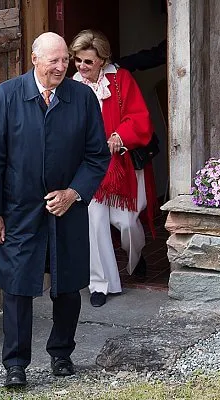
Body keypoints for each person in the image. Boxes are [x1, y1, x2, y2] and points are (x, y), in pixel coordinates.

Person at [0, 32, 111, 388]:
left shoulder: (81, 97)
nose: (60, 66)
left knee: (67, 287)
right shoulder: (7, 95)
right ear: (35, 59)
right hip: (19, 211)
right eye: (53, 60)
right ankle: (15, 364)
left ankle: (62, 354)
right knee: (18, 287)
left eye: (64, 60)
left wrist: (73, 192)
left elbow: (97, 156)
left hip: (66, 210)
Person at [70, 29, 158, 308]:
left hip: (122, 166)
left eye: (88, 62)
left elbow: (139, 117)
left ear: (102, 60)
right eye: (78, 61)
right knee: (94, 221)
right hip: (89, 167)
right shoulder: (71, 85)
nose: (82, 67)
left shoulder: (120, 80)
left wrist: (120, 136)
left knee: (127, 222)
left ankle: (137, 255)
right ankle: (100, 284)